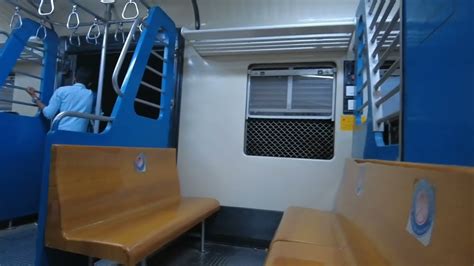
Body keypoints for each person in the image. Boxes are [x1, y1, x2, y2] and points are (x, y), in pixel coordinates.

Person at [27, 67, 94, 132]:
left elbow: (49, 113)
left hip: (61, 134)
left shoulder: (61, 91)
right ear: (90, 83)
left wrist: (34, 97)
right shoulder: (91, 95)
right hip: (80, 136)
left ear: (74, 78)